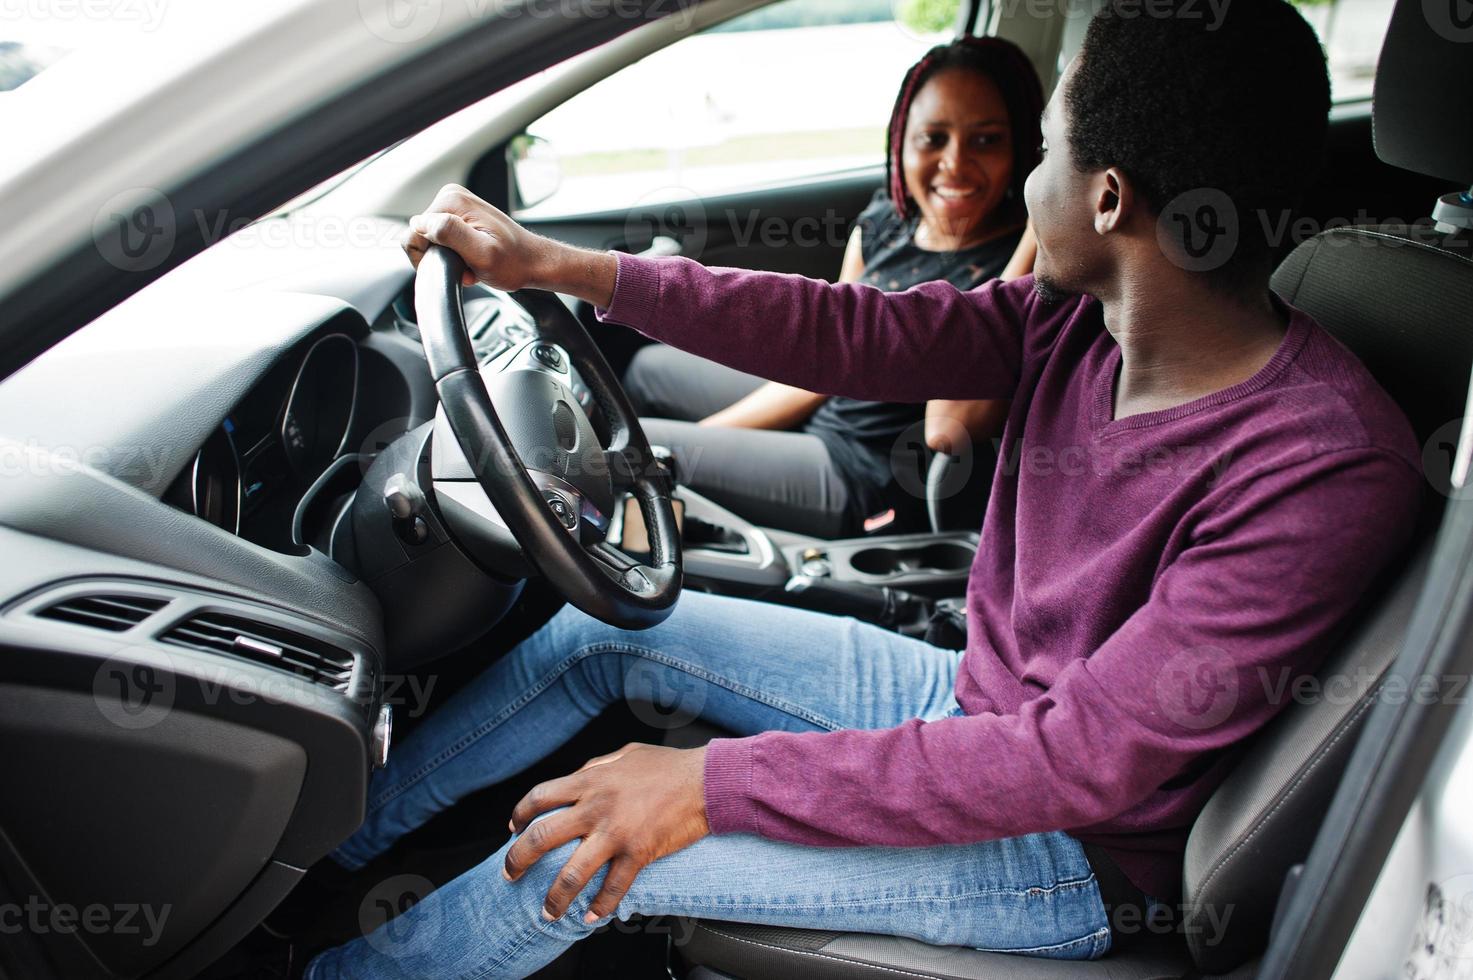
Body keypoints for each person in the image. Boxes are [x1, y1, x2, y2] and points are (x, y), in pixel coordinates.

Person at [308, 1, 1422, 976]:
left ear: (1110, 200)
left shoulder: (1319, 465)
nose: (1021, 184)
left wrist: (708, 783)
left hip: (1072, 849)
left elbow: (1076, 760)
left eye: (1039, 153)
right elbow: (849, 332)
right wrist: (565, 266)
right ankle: (319, 854)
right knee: (594, 635)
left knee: (587, 849)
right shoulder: (1071, 320)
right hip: (973, 699)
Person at [622, 36, 1042, 538]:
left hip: (862, 471)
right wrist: (709, 438)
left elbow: (945, 429)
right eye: (933, 139)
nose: (954, 164)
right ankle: (667, 524)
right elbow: (823, 361)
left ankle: (646, 551)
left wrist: (1038, 230)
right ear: (900, 144)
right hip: (827, 406)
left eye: (985, 140)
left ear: (1022, 150)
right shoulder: (887, 219)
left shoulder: (1021, 268)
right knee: (647, 372)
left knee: (635, 456)